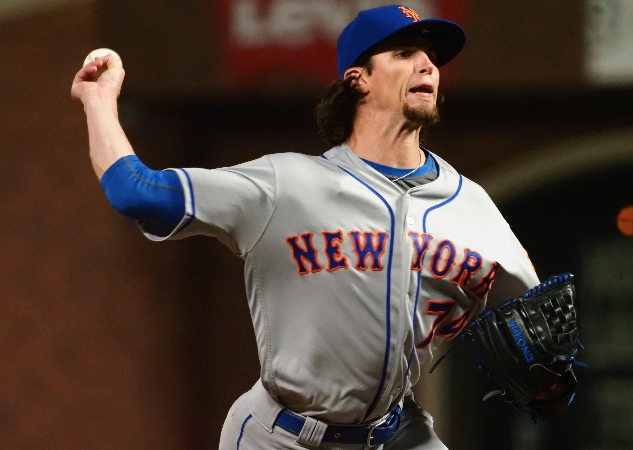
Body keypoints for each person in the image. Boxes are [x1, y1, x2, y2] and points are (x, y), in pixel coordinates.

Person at [71, 5, 540, 449]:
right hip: (279, 436)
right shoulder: (286, 185)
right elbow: (136, 191)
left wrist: (548, 370)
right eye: (404, 54)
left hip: (396, 433)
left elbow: (533, 320)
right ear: (358, 79)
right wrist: (99, 99)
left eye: (432, 58)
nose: (427, 66)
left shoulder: (470, 203)